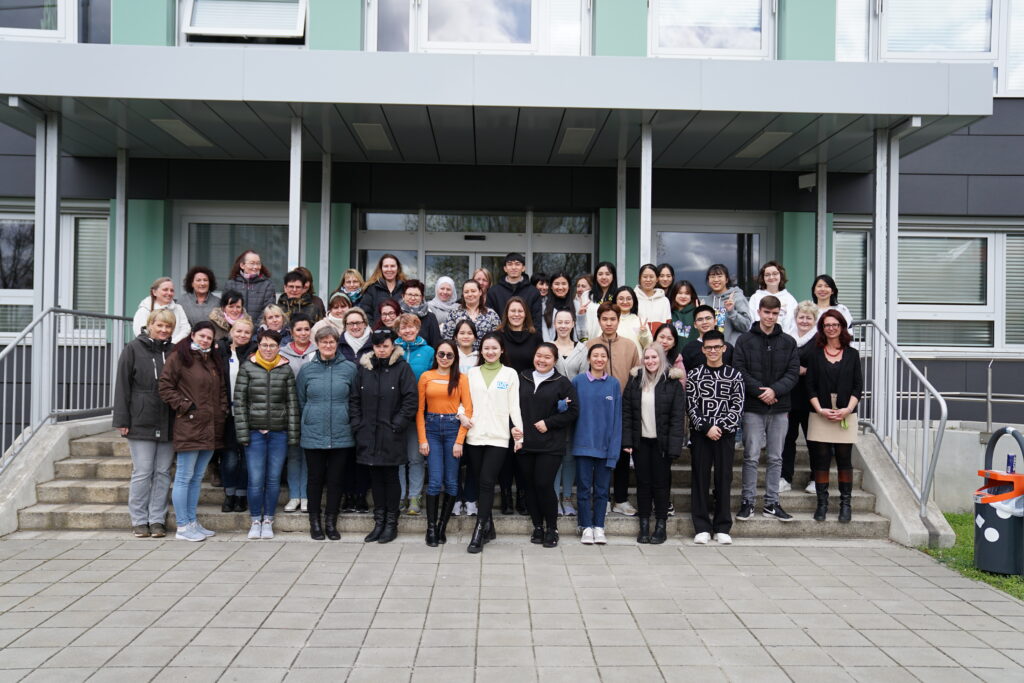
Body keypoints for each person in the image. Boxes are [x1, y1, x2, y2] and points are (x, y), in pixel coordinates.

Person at [158, 321, 227, 542]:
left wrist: (223, 411)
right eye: (202, 336)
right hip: (190, 425)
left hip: (211, 426)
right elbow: (165, 387)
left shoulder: (211, 360)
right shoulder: (180, 357)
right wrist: (186, 406)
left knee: (197, 478)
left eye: (209, 338)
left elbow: (222, 390)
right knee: (184, 477)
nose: (205, 340)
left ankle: (192, 520)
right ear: (193, 335)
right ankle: (182, 525)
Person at [733, 295, 800, 523]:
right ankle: (748, 502)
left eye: (774, 313)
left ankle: (772, 502)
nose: (770, 317)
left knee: (775, 457)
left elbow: (793, 373)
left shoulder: (788, 342)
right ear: (759, 312)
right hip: (753, 406)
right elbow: (739, 370)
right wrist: (761, 392)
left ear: (779, 314)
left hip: (780, 407)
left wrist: (774, 391)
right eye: (766, 312)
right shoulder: (745, 340)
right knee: (751, 456)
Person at [113, 309, 176, 538]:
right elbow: (122, 385)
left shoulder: (174, 351)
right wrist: (121, 419)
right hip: (140, 419)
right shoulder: (133, 349)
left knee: (162, 473)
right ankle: (139, 520)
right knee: (142, 472)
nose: (163, 330)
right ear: (150, 324)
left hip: (168, 420)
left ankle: (157, 520)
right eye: (159, 325)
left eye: (168, 327)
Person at [351, 329, 418, 544]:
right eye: (378, 346)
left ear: (392, 346)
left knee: (390, 477)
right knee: (375, 479)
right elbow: (354, 399)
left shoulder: (402, 368)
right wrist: (358, 425)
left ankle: (391, 523)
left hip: (391, 434)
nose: (381, 350)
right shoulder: (364, 369)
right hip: (368, 434)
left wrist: (397, 425)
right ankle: (378, 522)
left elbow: (410, 401)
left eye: (385, 346)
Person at [234, 329, 300, 540]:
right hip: (255, 433)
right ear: (259, 345)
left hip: (278, 433)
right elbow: (240, 403)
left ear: (279, 347)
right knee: (255, 479)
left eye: (272, 345)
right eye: (264, 345)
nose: (268, 349)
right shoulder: (248, 367)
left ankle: (268, 519)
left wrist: (292, 435)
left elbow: (292, 404)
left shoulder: (285, 369)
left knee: (272, 480)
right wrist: (243, 434)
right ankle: (255, 520)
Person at [296, 325, 359, 541]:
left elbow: (354, 400)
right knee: (314, 479)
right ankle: (315, 521)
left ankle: (331, 521)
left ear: (337, 344)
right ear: (317, 344)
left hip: (342, 432)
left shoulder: (350, 368)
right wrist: (310, 417)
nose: (328, 345)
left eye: (332, 342)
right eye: (324, 342)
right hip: (314, 431)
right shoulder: (307, 370)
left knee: (336, 479)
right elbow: (301, 399)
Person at [464, 333, 524, 553]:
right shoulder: (472, 373)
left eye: (494, 348)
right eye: (486, 348)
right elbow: (463, 401)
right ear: (481, 351)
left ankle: (479, 530)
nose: (490, 352)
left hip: (499, 437)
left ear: (502, 351)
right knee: (481, 481)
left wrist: (520, 434)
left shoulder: (510, 374)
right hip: (475, 435)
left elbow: (514, 406)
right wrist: (461, 414)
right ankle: (489, 525)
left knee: (488, 481)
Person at [622, 344, 686, 544]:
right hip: (640, 442)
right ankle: (643, 525)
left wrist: (675, 446)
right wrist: (627, 440)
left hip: (662, 443)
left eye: (654, 358)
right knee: (643, 484)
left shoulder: (671, 382)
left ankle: (660, 525)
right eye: (647, 358)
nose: (650, 361)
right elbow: (626, 413)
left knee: (660, 485)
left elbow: (677, 417)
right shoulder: (635, 380)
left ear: (661, 359)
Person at [686, 330, 745, 545]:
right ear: (703, 349)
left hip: (725, 435)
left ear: (724, 348)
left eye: (716, 347)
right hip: (702, 435)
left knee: (723, 479)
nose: (712, 351)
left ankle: (722, 526)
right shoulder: (694, 375)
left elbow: (737, 406)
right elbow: (691, 406)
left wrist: (720, 427)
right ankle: (701, 526)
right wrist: (706, 427)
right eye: (708, 347)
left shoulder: (734, 375)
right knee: (700, 479)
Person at [518, 343, 579, 548]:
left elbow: (573, 412)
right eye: (538, 356)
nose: (542, 360)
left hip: (550, 445)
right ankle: (537, 526)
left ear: (554, 361)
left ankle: (552, 528)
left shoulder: (562, 383)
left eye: (547, 357)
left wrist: (549, 423)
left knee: (544, 484)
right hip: (525, 443)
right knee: (529, 487)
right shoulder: (522, 378)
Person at [806, 310, 863, 523]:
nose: (831, 328)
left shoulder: (852, 354)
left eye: (835, 324)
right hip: (820, 411)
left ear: (841, 327)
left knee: (844, 461)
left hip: (845, 412)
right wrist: (819, 409)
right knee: (820, 461)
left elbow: (858, 386)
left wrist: (848, 409)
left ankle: (845, 505)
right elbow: (809, 386)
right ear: (822, 328)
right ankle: (822, 504)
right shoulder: (815, 353)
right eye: (827, 325)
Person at [585, 302, 641, 517]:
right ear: (599, 321)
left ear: (618, 320)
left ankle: (621, 499)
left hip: (623, 406)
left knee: (621, 454)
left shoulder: (629, 345)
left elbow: (637, 375)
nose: (609, 323)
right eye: (605, 319)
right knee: (597, 454)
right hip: (596, 407)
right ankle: (602, 497)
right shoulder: (590, 344)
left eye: (613, 319)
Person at [416, 340, 473, 547]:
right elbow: (419, 411)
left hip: (452, 429)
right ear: (436, 355)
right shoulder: (426, 377)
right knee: (434, 480)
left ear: (455, 358)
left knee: (451, 481)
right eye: (442, 354)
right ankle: (430, 528)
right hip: (431, 428)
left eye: (450, 355)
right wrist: (422, 439)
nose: (445, 358)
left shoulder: (461, 379)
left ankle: (442, 525)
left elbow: (468, 410)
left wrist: (459, 441)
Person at [571, 344, 622, 545]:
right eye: (595, 355)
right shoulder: (578, 381)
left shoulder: (613, 384)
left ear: (607, 359)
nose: (599, 359)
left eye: (603, 356)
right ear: (589, 359)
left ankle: (599, 526)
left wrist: (614, 450)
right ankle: (586, 526)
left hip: (605, 446)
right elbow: (569, 408)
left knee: (602, 490)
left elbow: (617, 419)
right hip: (583, 444)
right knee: (584, 489)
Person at [497, 296, 542, 516]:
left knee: (522, 448)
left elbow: (540, 365)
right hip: (502, 396)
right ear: (507, 313)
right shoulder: (498, 336)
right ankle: (506, 495)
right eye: (512, 311)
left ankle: (522, 496)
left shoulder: (535, 337)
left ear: (526, 314)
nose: (516, 314)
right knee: (505, 451)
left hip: (527, 397)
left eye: (520, 311)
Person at [214, 317, 254, 514]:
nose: (242, 335)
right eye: (239, 331)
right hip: (227, 414)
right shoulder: (219, 351)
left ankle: (242, 496)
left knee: (247, 460)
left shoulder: (256, 352)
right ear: (231, 332)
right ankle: (229, 494)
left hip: (249, 415)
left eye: (246, 332)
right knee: (229, 459)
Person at [395, 313, 434, 515]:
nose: (408, 330)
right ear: (398, 330)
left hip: (419, 411)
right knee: (399, 458)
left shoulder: (428, 351)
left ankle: (415, 497)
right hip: (394, 411)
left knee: (416, 457)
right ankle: (400, 495)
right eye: (403, 327)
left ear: (418, 329)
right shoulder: (392, 349)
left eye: (411, 327)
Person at [337, 307, 374, 513]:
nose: (355, 327)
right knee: (345, 455)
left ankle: (361, 495)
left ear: (365, 323)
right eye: (350, 323)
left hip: (367, 407)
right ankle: (347, 495)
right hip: (343, 405)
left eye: (358, 322)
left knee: (363, 454)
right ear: (345, 326)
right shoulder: (339, 345)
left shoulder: (373, 344)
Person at [280, 313, 316, 514]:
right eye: (299, 329)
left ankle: (306, 496)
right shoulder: (282, 353)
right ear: (291, 332)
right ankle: (295, 495)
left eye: (306, 329)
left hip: (312, 410)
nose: (303, 333)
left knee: (309, 455)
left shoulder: (318, 350)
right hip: (290, 410)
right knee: (294, 455)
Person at [552, 309, 586, 517]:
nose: (563, 325)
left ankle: (567, 498)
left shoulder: (582, 349)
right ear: (555, 324)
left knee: (570, 456)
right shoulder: (548, 347)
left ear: (573, 324)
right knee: (555, 454)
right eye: (560, 322)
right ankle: (554, 497)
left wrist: (571, 401)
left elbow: (583, 380)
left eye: (567, 322)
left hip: (575, 409)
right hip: (552, 410)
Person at [785, 301, 820, 494]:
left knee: (813, 440)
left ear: (815, 320)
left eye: (809, 317)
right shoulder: (788, 338)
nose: (804, 321)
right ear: (795, 318)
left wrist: (808, 370)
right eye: (801, 317)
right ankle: (785, 477)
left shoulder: (819, 340)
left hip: (810, 398)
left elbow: (823, 365)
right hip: (789, 396)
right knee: (787, 439)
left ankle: (816, 479)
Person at [452, 318, 480, 518]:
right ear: (455, 336)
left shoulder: (481, 357)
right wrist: (459, 412)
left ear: (475, 337)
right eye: (462, 333)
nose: (465, 336)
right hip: (454, 414)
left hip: (476, 415)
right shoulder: (450, 356)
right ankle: (456, 497)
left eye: (469, 333)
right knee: (454, 460)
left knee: (473, 460)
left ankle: (470, 498)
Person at [486, 252, 543, 326]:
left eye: (517, 264)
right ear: (505, 268)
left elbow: (536, 321)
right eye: (510, 264)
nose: (513, 267)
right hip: (500, 336)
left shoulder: (533, 292)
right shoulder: (493, 292)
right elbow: (490, 320)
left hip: (527, 336)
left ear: (523, 268)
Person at [131, 276, 191, 343]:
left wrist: (171, 344)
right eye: (165, 290)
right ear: (154, 292)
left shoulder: (178, 308)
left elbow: (186, 329)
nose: (169, 293)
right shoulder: (144, 310)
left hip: (174, 350)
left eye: (172, 290)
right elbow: (140, 332)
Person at [705, 263, 751, 345]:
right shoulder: (706, 301)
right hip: (711, 350)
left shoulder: (737, 297)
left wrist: (732, 312)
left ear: (726, 279)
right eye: (712, 276)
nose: (716, 280)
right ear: (708, 281)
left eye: (719, 276)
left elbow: (746, 326)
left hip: (732, 349)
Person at [441, 279, 500, 343]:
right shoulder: (454, 314)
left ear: (480, 292)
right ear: (463, 294)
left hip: (485, 352)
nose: (470, 294)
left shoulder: (491, 314)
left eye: (473, 291)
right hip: (459, 352)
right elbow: (447, 339)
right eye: (466, 292)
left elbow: (498, 338)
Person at [749, 261, 798, 336]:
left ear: (781, 275)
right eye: (767, 275)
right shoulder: (755, 298)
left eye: (775, 274)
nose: (771, 277)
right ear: (763, 278)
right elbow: (751, 320)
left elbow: (794, 324)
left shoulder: (790, 299)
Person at [227, 250, 276, 326]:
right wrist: (237, 328)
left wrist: (254, 329)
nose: (256, 267)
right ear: (242, 265)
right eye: (252, 263)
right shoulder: (231, 284)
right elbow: (226, 308)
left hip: (259, 331)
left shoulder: (267, 285)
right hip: (235, 331)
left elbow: (268, 310)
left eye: (258, 263)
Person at [682, 305, 735, 369]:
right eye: (700, 319)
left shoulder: (728, 347)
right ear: (695, 325)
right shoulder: (688, 348)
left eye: (708, 318)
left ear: (715, 321)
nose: (704, 322)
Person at [360, 253, 407, 325]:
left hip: (402, 332)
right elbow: (365, 312)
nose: (389, 269)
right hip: (378, 333)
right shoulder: (372, 288)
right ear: (381, 268)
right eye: (386, 266)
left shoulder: (405, 288)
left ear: (398, 268)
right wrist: (374, 330)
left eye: (392, 266)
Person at [399, 279, 442, 349]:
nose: (412, 298)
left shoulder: (430, 317)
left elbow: (436, 343)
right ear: (403, 296)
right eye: (409, 294)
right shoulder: (397, 314)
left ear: (422, 297)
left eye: (416, 295)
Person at [634, 263, 672, 330]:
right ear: (639, 278)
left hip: (658, 340)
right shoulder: (633, 298)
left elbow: (668, 324)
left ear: (657, 279)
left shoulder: (664, 301)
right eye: (645, 277)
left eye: (651, 277)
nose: (648, 280)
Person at [539, 272, 573, 342]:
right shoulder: (543, 306)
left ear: (569, 286)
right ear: (551, 286)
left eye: (564, 284)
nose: (560, 287)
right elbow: (544, 332)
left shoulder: (577, 305)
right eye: (557, 284)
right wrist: (550, 348)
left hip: (573, 349)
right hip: (550, 349)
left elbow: (582, 333)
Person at [668, 279, 701, 350]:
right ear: (674, 294)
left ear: (691, 296)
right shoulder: (668, 312)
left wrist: (701, 314)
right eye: (680, 293)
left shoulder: (697, 312)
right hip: (672, 357)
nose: (683, 296)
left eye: (687, 293)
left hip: (693, 356)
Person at [573, 274, 593, 340]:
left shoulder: (595, 304)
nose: (579, 289)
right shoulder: (572, 303)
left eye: (583, 286)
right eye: (578, 286)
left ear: (591, 288)